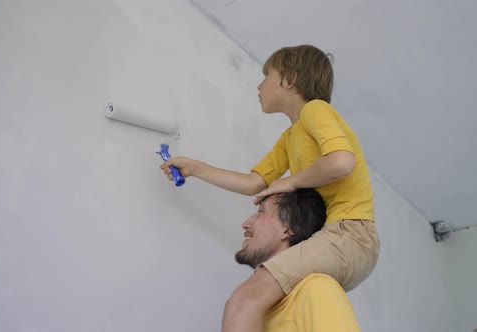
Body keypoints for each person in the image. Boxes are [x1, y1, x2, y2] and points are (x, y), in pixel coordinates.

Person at [161, 44, 380, 332]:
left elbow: (341, 162)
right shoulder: (290, 138)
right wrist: (195, 168)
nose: (259, 85)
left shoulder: (316, 110)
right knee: (265, 306)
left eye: (267, 75)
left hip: (351, 234)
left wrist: (290, 181)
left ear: (290, 80)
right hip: (339, 238)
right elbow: (253, 183)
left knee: (245, 299)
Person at [235, 189, 361, 331]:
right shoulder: (260, 309)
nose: (245, 224)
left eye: (261, 211)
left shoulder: (317, 289)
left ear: (289, 229)